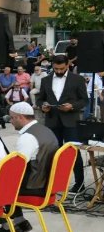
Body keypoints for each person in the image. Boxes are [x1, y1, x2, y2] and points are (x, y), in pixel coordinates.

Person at [0, 102, 58, 232]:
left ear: (20, 117)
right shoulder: (45, 130)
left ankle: (7, 226)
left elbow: (17, 167)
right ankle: (19, 220)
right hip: (46, 181)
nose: (10, 121)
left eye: (12, 118)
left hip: (35, 185)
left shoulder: (28, 137)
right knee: (5, 182)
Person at [35, 55, 88, 193]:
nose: (59, 71)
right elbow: (40, 99)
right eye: (56, 68)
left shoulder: (77, 79)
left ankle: (79, 184)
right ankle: (52, 184)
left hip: (70, 121)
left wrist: (72, 106)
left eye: (62, 69)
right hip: (52, 120)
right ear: (52, 66)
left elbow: (84, 100)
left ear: (67, 65)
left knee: (73, 152)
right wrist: (43, 106)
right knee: (52, 153)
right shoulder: (45, 80)